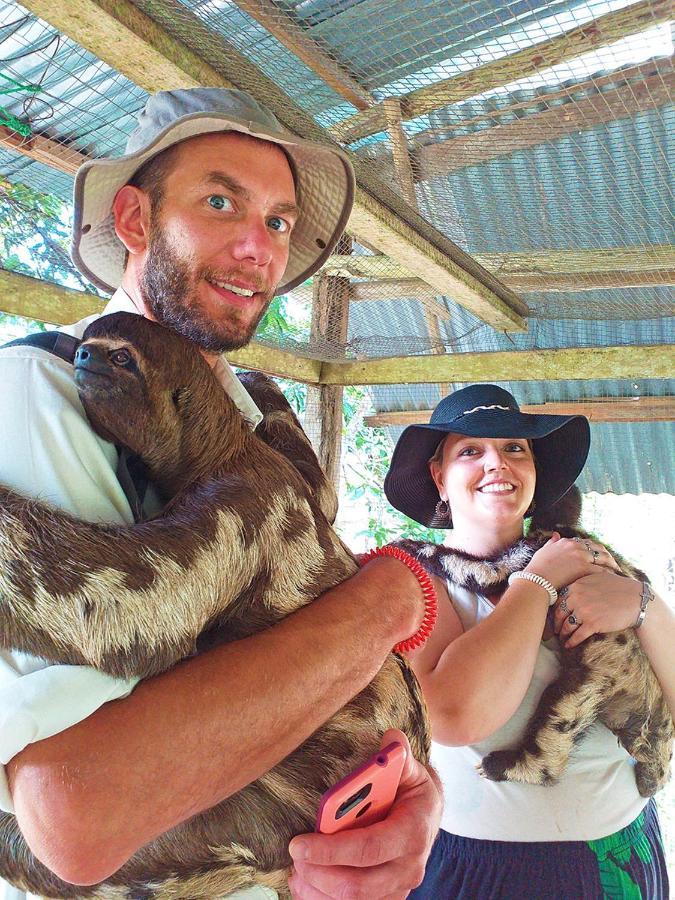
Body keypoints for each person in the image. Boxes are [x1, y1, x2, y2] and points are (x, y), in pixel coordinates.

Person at [0, 88, 441, 900]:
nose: (257, 245)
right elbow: (77, 816)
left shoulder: (266, 417)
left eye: (277, 221)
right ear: (134, 220)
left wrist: (413, 794)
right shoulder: (39, 387)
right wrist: (385, 604)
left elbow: (314, 633)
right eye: (218, 201)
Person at [383, 383, 674, 899]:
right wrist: (537, 582)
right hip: (480, 863)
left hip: (619, 849)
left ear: (536, 477)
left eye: (515, 449)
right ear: (439, 478)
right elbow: (455, 715)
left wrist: (643, 604)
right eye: (471, 451)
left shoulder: (590, 559)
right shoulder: (410, 576)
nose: (497, 463)